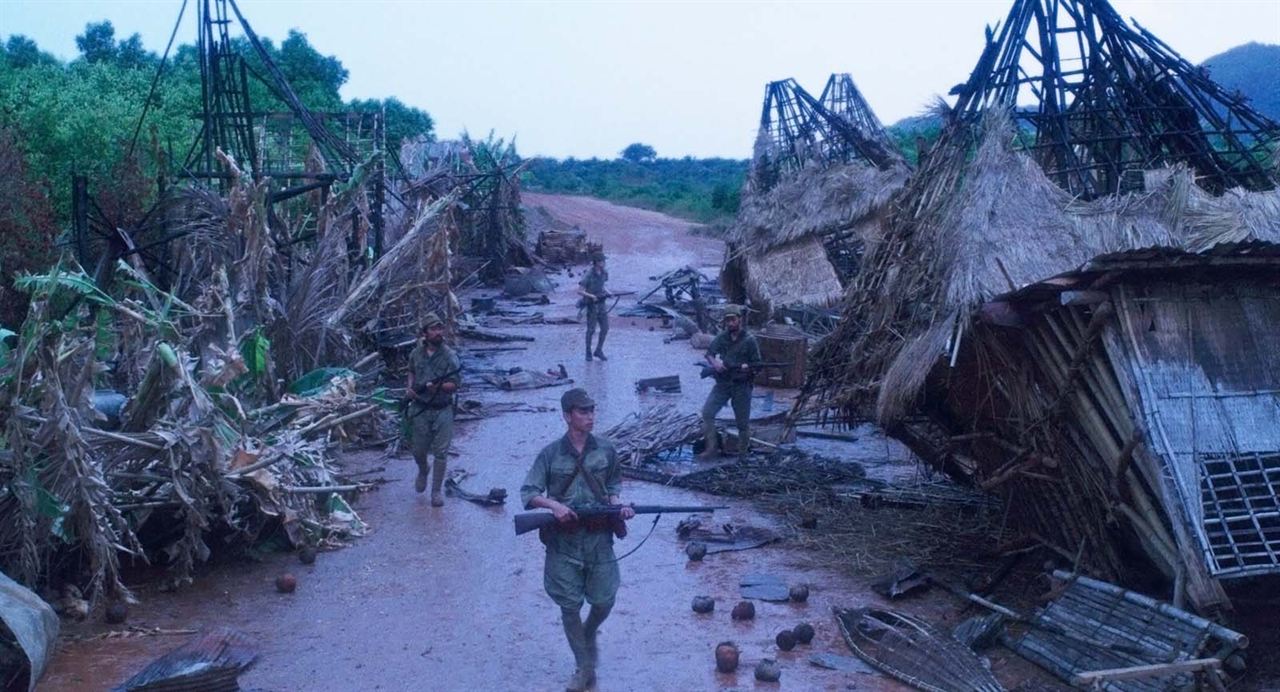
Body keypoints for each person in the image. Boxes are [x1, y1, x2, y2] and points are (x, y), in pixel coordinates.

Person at [521, 388, 635, 692]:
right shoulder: (549, 454)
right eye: (583, 412)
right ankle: (584, 667)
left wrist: (618, 505)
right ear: (567, 416)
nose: (590, 417)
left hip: (599, 538)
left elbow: (613, 484)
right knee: (569, 605)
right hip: (564, 541)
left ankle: (589, 631)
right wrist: (555, 506)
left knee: (605, 599)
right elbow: (528, 493)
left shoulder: (606, 450)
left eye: (592, 411)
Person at [404, 312, 461, 506]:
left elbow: (455, 384)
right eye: (433, 329)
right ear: (425, 333)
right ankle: (422, 470)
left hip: (442, 408)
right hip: (420, 407)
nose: (438, 332)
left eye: (440, 328)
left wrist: (436, 387)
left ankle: (436, 492)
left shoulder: (450, 356)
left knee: (441, 452)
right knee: (418, 451)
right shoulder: (416, 353)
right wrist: (410, 388)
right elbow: (411, 370)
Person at [698, 304, 762, 461]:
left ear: (739, 320)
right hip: (723, 383)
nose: (730, 323)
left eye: (733, 320)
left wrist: (748, 368)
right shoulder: (722, 337)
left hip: (742, 385)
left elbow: (758, 365)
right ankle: (711, 448)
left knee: (742, 423)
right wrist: (715, 364)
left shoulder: (750, 341)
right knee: (707, 413)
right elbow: (709, 354)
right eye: (727, 320)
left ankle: (742, 455)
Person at [577, 254, 611, 361]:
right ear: (596, 262)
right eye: (602, 261)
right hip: (591, 305)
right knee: (591, 330)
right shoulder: (588, 275)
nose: (604, 263)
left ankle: (598, 350)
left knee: (605, 328)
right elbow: (580, 291)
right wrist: (592, 296)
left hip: (601, 304)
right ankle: (588, 352)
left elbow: (603, 286)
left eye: (604, 261)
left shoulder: (604, 273)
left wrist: (609, 293)